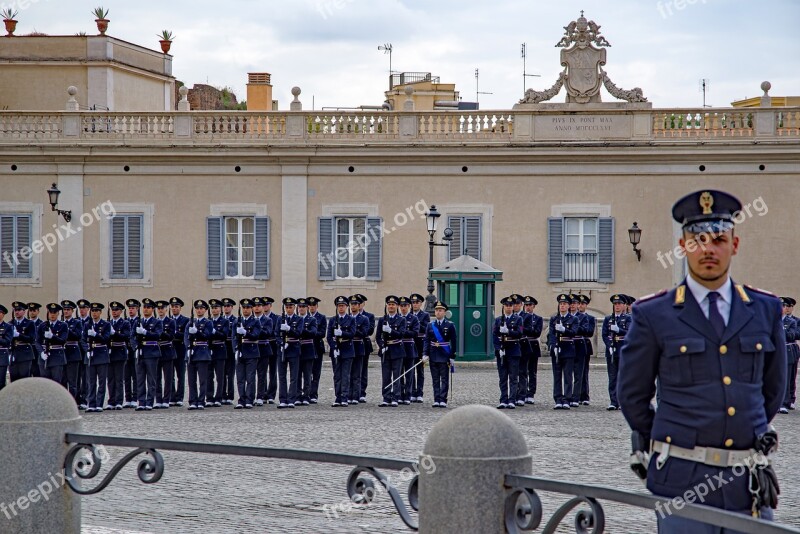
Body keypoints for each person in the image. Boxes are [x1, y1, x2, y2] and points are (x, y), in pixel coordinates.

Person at [618, 189, 786, 531]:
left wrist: (744, 431)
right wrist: (671, 437)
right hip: (683, 481)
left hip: (747, 483)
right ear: (683, 246)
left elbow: (774, 389)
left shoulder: (764, 310)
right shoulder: (655, 314)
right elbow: (631, 396)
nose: (708, 249)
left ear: (734, 246)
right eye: (697, 240)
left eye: (719, 239)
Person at [421, 300, 457, 408]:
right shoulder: (430, 325)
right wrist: (425, 354)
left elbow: (454, 341)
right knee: (435, 379)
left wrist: (452, 356)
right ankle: (436, 399)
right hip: (433, 354)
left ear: (444, 312)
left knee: (444, 379)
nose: (438, 312)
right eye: (436, 310)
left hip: (444, 354)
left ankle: (443, 399)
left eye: (440, 310)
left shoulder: (450, 325)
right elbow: (427, 340)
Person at [547, 294, 578, 410]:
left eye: (564, 304)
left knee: (568, 376)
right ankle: (558, 398)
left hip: (568, 349)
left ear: (569, 306)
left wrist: (564, 330)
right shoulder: (554, 319)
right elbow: (551, 334)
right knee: (557, 376)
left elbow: (573, 332)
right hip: (557, 350)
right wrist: (553, 345)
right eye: (560, 304)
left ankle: (567, 399)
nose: (562, 306)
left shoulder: (573, 319)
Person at [493, 296, 524, 409]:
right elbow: (494, 335)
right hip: (502, 350)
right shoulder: (498, 320)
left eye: (510, 305)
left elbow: (519, 333)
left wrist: (509, 331)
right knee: (502, 377)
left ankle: (512, 399)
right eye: (507, 305)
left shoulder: (518, 319)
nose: (509, 307)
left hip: (513, 349)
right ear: (503, 306)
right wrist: (498, 348)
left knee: (513, 376)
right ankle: (503, 399)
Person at [376, 295, 407, 407]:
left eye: (393, 304)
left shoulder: (401, 319)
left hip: (397, 349)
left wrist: (391, 331)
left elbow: (401, 334)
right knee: (386, 375)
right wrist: (381, 345)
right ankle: (386, 397)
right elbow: (378, 336)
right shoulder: (383, 319)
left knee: (397, 376)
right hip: (386, 350)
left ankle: (395, 397)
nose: (391, 306)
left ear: (397, 306)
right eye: (389, 304)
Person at [601, 294, 630, 411]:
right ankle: (613, 401)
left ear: (624, 306)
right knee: (612, 377)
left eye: (619, 304)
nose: (617, 306)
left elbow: (630, 332)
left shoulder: (628, 318)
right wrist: (609, 345)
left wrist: (619, 330)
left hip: (623, 349)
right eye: (615, 304)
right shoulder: (609, 319)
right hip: (612, 350)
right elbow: (604, 334)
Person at [134, 298, 164, 411]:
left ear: (152, 309)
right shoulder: (138, 321)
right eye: (144, 307)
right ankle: (141, 401)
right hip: (141, 352)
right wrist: (135, 347)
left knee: (151, 379)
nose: (146, 309)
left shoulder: (157, 322)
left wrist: (145, 332)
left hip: (151, 352)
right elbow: (132, 336)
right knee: (140, 378)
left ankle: (150, 401)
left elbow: (157, 335)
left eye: (148, 307)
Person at [327, 295, 356, 407]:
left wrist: (342, 333)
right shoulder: (333, 320)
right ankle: (338, 396)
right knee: (337, 375)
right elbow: (329, 336)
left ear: (346, 306)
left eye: (343, 306)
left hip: (347, 349)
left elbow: (352, 334)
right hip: (336, 351)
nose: (341, 308)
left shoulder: (351, 319)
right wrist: (333, 347)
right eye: (339, 306)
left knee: (345, 375)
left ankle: (344, 397)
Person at [185, 299, 214, 410]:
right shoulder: (190, 322)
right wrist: (188, 347)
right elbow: (186, 337)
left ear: (205, 310)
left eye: (201, 308)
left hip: (202, 353)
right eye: (197, 308)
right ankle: (193, 400)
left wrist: (196, 332)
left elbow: (207, 335)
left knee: (203, 380)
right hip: (192, 353)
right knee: (191, 380)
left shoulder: (208, 323)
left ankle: (201, 401)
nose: (199, 310)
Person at [83, 302, 111, 412]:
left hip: (101, 354)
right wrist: (87, 350)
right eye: (93, 311)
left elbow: (106, 338)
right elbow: (83, 339)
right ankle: (91, 403)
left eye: (96, 311)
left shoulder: (105, 324)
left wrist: (96, 335)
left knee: (102, 381)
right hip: (91, 355)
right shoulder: (87, 324)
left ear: (100, 312)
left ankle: (99, 403)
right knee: (91, 381)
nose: (94, 313)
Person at [36, 303, 68, 385]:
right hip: (44, 358)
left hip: (57, 357)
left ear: (58, 313)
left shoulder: (63, 325)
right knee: (45, 384)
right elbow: (37, 342)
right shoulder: (42, 325)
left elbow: (63, 340)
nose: (52, 315)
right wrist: (41, 352)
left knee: (56, 383)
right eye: (51, 312)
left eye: (54, 313)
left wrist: (52, 336)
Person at [106, 301, 130, 410]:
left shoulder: (125, 323)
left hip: (120, 352)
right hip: (110, 353)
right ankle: (111, 400)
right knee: (110, 379)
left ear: (121, 311)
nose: (114, 312)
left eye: (116, 310)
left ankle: (119, 401)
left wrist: (114, 333)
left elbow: (126, 336)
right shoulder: (108, 323)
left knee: (119, 379)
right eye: (113, 310)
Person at [207, 299, 230, 407]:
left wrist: (214, 332)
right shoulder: (208, 321)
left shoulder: (224, 321)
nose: (214, 310)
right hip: (209, 350)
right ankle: (209, 397)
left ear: (220, 309)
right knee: (209, 375)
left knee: (220, 376)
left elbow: (224, 335)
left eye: (216, 308)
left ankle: (219, 397)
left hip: (220, 349)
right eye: (213, 308)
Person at [155, 300, 177, 409]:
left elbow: (171, 336)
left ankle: (166, 399)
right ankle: (158, 399)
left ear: (166, 309)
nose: (160, 310)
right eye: (158, 309)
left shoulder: (171, 322)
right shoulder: (154, 321)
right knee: (156, 377)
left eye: (162, 308)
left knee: (168, 378)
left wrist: (159, 332)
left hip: (167, 351)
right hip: (156, 350)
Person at [521, 296, 543, 404]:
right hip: (523, 345)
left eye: (530, 305)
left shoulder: (538, 318)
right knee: (522, 371)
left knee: (532, 371)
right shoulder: (520, 317)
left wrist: (524, 329)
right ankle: (522, 392)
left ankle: (531, 393)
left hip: (533, 345)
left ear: (533, 306)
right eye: (526, 305)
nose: (528, 307)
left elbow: (536, 332)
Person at [778, 297, 798, 414]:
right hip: (775, 351)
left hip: (787, 351)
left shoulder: (792, 322)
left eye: (784, 306)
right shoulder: (772, 320)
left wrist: (780, 328)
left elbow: (791, 336)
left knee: (787, 378)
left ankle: (784, 403)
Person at [348, 295, 369, 405]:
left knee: (359, 372)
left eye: (356, 304)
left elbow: (365, 332)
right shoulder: (347, 317)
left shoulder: (365, 317)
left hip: (361, 346)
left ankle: (359, 394)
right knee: (348, 372)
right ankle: (349, 394)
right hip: (348, 347)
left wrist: (351, 331)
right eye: (352, 304)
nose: (354, 306)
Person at [169, 297, 190, 407]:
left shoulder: (185, 320)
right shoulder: (168, 320)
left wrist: (175, 333)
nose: (174, 308)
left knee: (180, 375)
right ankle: (172, 396)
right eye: (172, 306)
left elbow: (186, 335)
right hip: (170, 349)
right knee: (170, 375)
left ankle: (179, 397)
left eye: (176, 306)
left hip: (180, 349)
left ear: (180, 308)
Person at [296, 298, 317, 406]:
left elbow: (313, 332)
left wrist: (300, 330)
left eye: (303, 307)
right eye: (300, 307)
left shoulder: (311, 319)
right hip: (296, 350)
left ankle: (306, 395)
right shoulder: (294, 319)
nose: (301, 309)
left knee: (307, 375)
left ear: (307, 308)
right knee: (297, 375)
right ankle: (298, 395)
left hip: (308, 349)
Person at [398, 296, 419, 405]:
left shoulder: (413, 318)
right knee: (399, 373)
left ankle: (408, 394)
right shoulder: (397, 317)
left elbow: (415, 333)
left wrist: (402, 332)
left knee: (409, 373)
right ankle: (400, 394)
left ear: (409, 306)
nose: (403, 308)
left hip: (409, 347)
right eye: (401, 306)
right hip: (399, 348)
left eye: (405, 306)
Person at [410, 293, 430, 403]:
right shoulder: (408, 314)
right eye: (413, 302)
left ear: (421, 303)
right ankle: (412, 392)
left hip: (420, 344)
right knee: (411, 370)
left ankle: (420, 392)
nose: (415, 304)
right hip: (411, 345)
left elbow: (426, 328)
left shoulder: (425, 315)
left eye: (417, 302)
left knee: (420, 370)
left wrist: (416, 323)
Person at [9, 301, 36, 382]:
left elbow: (32, 339)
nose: (16, 312)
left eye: (19, 310)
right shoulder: (10, 323)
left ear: (24, 311)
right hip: (14, 353)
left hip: (25, 354)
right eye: (15, 310)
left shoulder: (29, 323)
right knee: (13, 379)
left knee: (24, 379)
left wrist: (19, 335)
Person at [307, 297, 327, 404]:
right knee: (306, 372)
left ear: (317, 306)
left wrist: (311, 333)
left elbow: (322, 333)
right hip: (306, 347)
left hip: (317, 346)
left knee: (316, 372)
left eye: (313, 305)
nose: (311, 307)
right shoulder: (304, 317)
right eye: (310, 305)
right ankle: (306, 392)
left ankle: (313, 394)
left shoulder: (321, 318)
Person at [122, 299, 140, 408]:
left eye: (133, 308)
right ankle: (127, 398)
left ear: (137, 309)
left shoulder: (139, 321)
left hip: (135, 350)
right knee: (126, 376)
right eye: (130, 308)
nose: (131, 310)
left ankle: (135, 398)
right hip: (125, 350)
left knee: (136, 375)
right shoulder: (125, 321)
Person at [0, 304, 12, 391]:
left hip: (2, 356)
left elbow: (7, 342)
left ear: (3, 314)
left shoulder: (7, 327)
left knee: (1, 381)